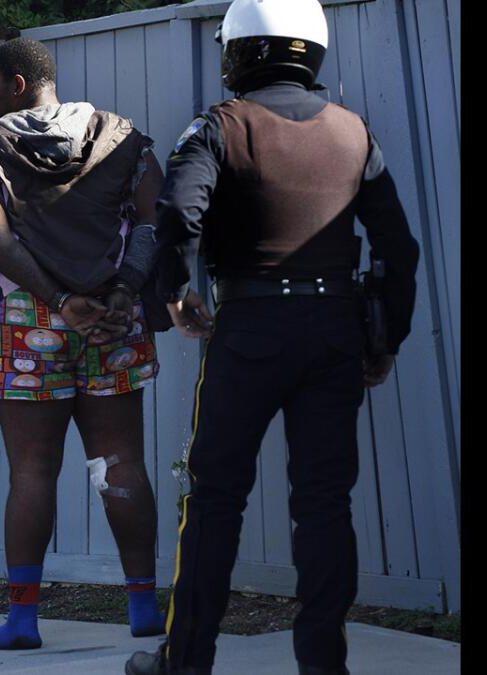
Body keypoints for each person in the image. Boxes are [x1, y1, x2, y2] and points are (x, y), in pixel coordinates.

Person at [124, 1, 421, 673]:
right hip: (336, 334)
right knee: (324, 502)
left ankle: (187, 660)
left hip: (250, 330)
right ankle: (324, 664)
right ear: (309, 51)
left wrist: (176, 293)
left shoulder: (220, 126)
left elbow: (176, 216)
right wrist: (386, 339)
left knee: (214, 497)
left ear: (241, 50)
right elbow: (399, 248)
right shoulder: (354, 133)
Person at [0, 36, 168, 650]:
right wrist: (123, 293)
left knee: (32, 469)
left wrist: (60, 303)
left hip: (27, 322)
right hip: (115, 319)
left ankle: (21, 620)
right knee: (119, 461)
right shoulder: (124, 141)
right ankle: (144, 607)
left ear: (18, 84)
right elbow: (154, 221)